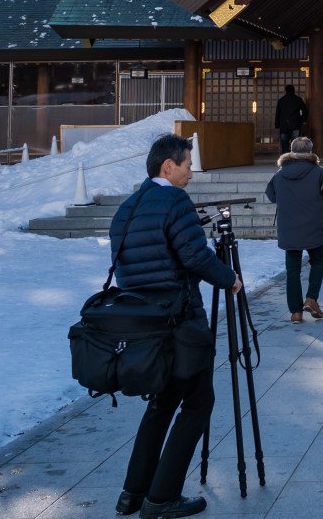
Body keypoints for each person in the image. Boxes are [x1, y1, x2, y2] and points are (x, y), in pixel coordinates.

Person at [112, 134, 242, 519]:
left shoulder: (127, 207)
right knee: (198, 402)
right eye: (187, 164)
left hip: (143, 322)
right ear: (167, 166)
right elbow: (193, 254)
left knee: (162, 402)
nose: (190, 171)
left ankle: (133, 493)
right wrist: (228, 277)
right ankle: (162, 497)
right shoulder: (173, 200)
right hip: (180, 320)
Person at [265, 136, 323, 323]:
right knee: (317, 260)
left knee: (292, 269)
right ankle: (311, 298)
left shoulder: (279, 174)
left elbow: (271, 196)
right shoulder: (317, 172)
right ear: (310, 151)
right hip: (313, 225)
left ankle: (295, 312)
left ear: (291, 151)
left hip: (289, 227)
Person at [274, 84, 307, 154]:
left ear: (285, 91)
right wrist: (303, 120)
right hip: (295, 124)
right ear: (294, 90)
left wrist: (277, 124)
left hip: (284, 125)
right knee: (295, 143)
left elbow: (278, 113)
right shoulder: (298, 99)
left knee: (284, 143)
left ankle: (285, 158)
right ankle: (295, 158)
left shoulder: (281, 100)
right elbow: (305, 110)